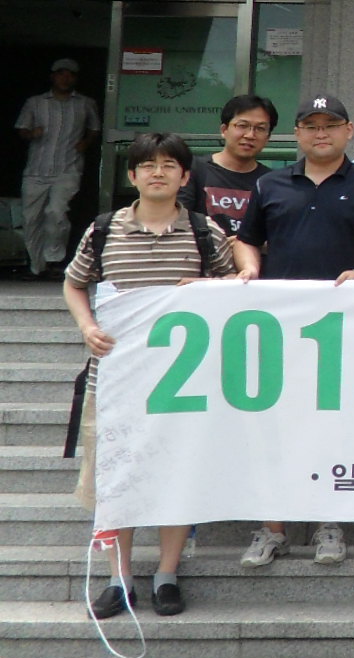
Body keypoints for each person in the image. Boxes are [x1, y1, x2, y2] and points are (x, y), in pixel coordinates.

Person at [64, 133, 242, 618]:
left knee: (176, 476)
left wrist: (209, 286)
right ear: (132, 175)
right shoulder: (103, 230)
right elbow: (75, 284)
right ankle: (118, 579)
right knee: (114, 481)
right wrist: (87, 326)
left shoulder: (204, 231)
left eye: (168, 165)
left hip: (183, 386)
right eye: (147, 165)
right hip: (114, 381)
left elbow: (235, 285)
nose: (157, 172)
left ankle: (167, 573)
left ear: (185, 177)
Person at [232, 94, 354, 569]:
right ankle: (272, 528)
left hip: (345, 327)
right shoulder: (270, 184)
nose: (320, 133)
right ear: (297, 135)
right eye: (310, 126)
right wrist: (249, 269)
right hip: (279, 327)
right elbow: (247, 240)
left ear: (349, 131)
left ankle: (329, 522)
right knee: (274, 426)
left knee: (335, 425)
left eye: (330, 125)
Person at [16, 56, 100, 279]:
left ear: (76, 79)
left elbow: (95, 128)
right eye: (61, 73)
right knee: (30, 217)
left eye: (71, 74)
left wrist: (85, 142)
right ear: (53, 76)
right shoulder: (35, 102)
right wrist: (31, 133)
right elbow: (22, 129)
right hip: (36, 169)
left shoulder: (85, 103)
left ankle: (53, 260)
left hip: (68, 168)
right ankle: (36, 266)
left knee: (56, 212)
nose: (66, 78)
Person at [180, 93, 277, 240]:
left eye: (260, 128)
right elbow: (178, 221)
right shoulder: (193, 170)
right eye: (242, 126)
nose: (250, 135)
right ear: (224, 130)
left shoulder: (272, 181)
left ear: (268, 137)